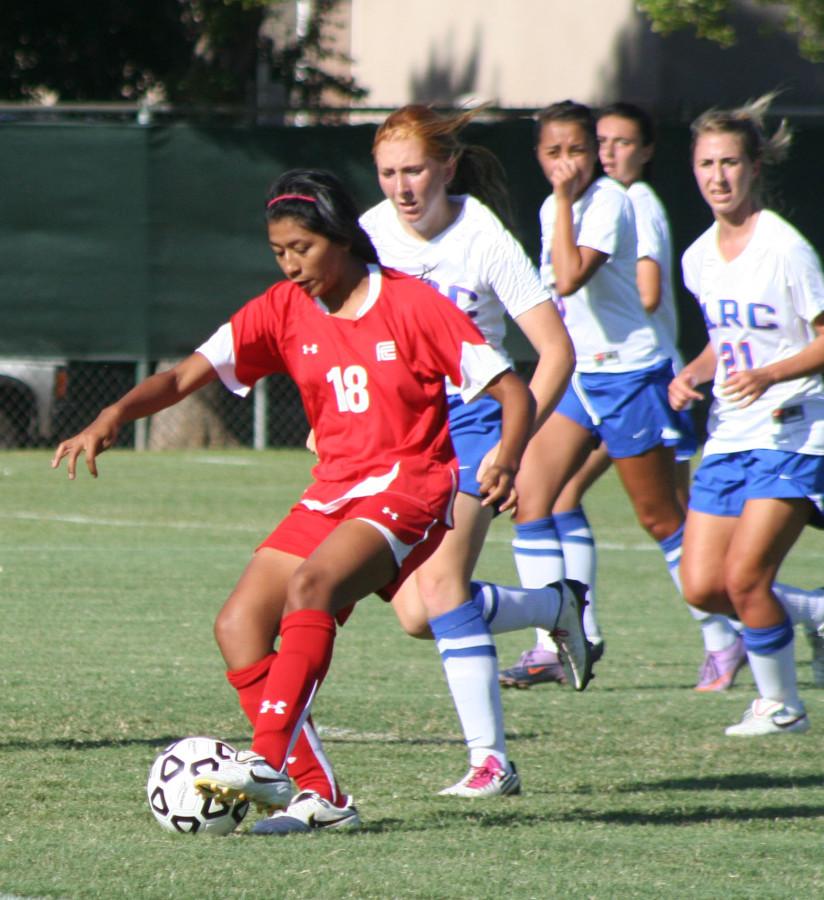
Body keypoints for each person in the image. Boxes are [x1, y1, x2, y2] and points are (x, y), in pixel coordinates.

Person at [51, 168, 538, 834]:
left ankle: (265, 762)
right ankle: (324, 799)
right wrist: (112, 414)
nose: (290, 264)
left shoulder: (413, 305)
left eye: (301, 249)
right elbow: (183, 376)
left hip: (410, 482)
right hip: (334, 488)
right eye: (278, 251)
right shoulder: (281, 309)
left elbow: (514, 392)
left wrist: (505, 456)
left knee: (312, 585)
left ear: (340, 236)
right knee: (238, 626)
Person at [357, 104, 585, 797]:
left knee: (444, 588)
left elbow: (555, 352)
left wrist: (514, 447)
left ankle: (492, 762)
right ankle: (553, 609)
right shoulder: (368, 232)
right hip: (401, 429)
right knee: (417, 614)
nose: (402, 186)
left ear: (447, 168)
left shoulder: (482, 238)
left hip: (476, 420)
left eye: (415, 170)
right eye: (389, 172)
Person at [521, 102, 742, 691]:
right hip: (580, 376)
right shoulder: (553, 206)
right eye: (553, 152)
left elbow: (569, 277)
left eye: (576, 150)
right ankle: (560, 639)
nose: (565, 163)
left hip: (630, 375)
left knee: (660, 516)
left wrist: (566, 202)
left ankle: (725, 638)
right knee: (534, 495)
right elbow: (552, 291)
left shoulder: (612, 202)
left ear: (592, 153)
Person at [669, 95, 824, 735]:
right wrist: (694, 373)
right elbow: (727, 338)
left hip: (794, 431)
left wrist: (770, 374)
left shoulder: (785, 249)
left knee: (746, 576)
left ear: (755, 167)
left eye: (730, 162)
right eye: (707, 163)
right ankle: (811, 612)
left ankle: (781, 705)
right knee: (703, 586)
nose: (718, 176)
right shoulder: (699, 256)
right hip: (730, 436)